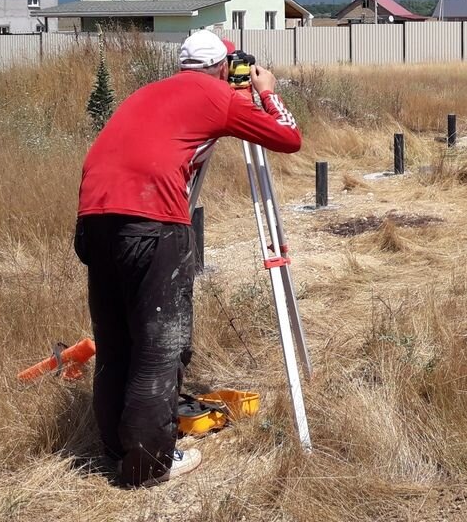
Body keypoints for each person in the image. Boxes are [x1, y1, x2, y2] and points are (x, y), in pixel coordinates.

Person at [74, 29, 302, 486]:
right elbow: (288, 138)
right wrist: (266, 93)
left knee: (117, 345)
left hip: (93, 219)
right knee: (159, 350)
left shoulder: (148, 92)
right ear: (222, 68)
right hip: (151, 220)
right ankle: (147, 467)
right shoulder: (217, 95)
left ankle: (115, 451)